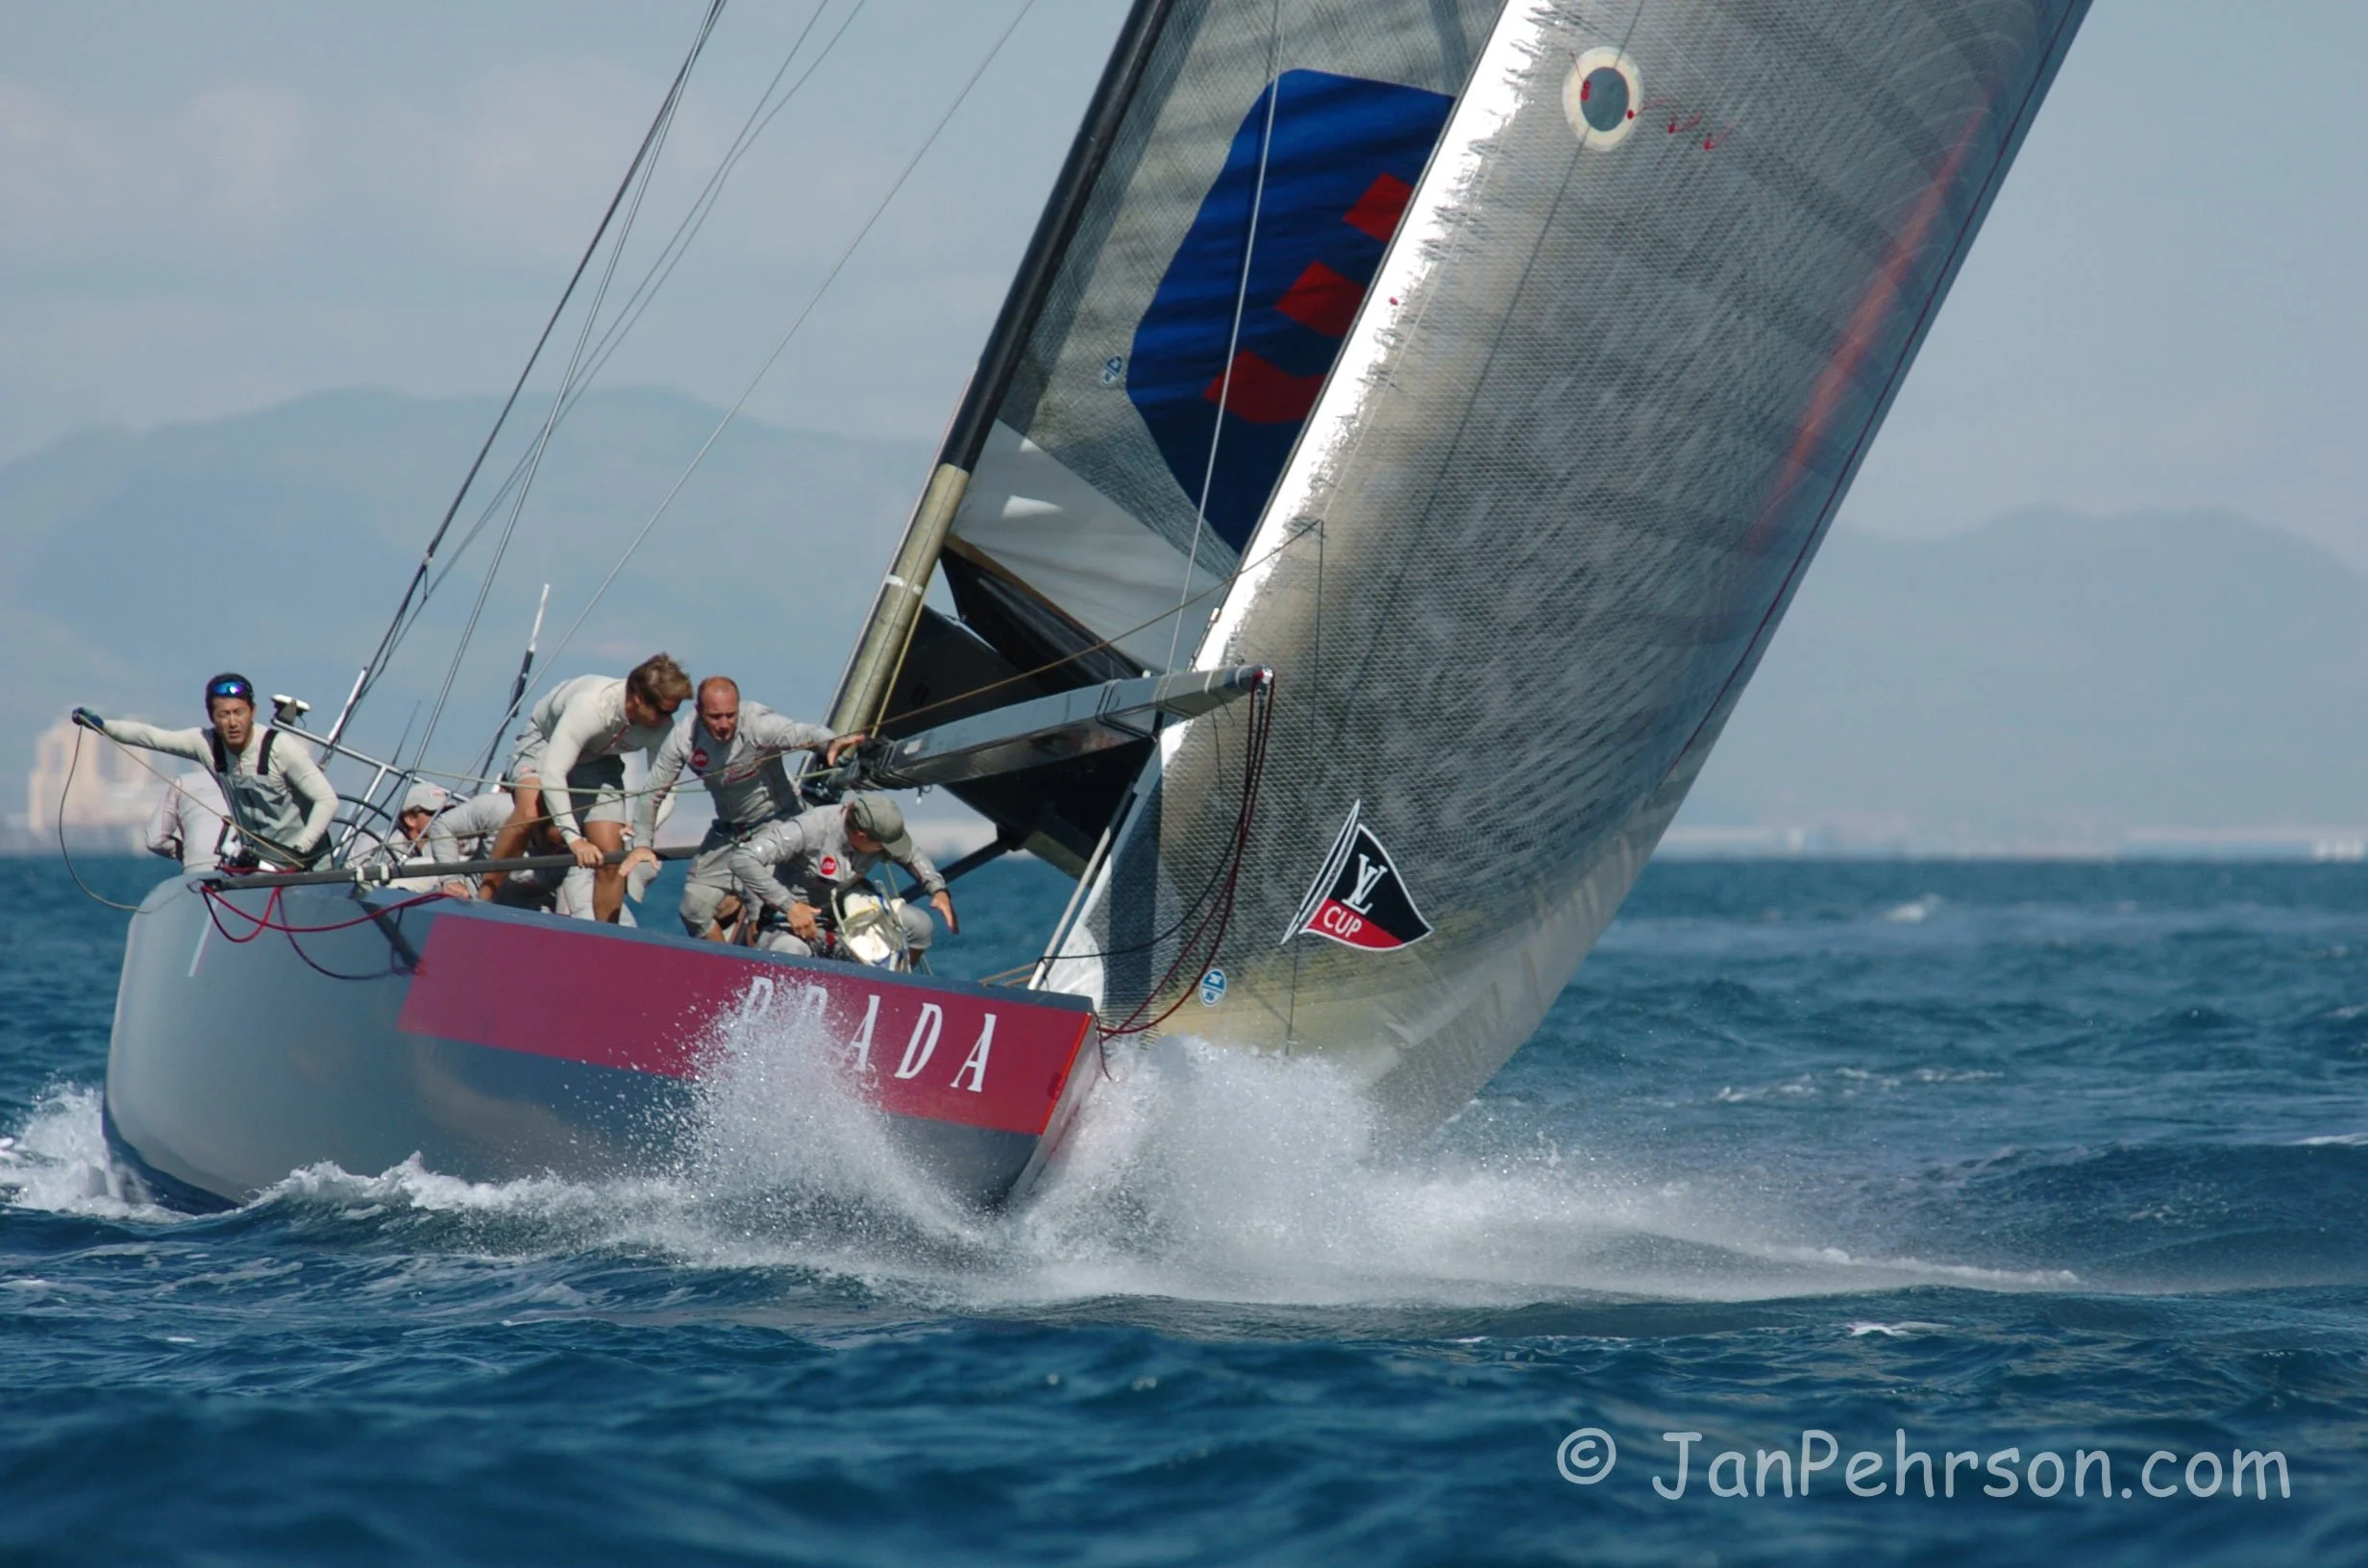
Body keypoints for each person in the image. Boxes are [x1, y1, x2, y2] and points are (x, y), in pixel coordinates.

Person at [632, 674, 864, 939]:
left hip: (775, 825)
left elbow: (800, 732)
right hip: (729, 831)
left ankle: (753, 929)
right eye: (714, 717)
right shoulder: (684, 737)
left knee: (760, 919)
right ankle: (721, 962)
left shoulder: (757, 724)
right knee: (693, 909)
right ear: (698, 711)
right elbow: (651, 793)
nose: (723, 724)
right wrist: (642, 844)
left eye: (730, 715)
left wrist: (830, 742)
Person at [482, 653, 690, 921]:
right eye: (662, 712)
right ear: (639, 699)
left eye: (673, 712)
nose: (667, 720)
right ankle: (484, 898)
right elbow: (554, 774)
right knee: (529, 813)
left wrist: (643, 828)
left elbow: (666, 789)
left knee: (611, 855)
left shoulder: (662, 727)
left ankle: (608, 935)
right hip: (547, 741)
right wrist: (575, 840)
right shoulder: (591, 706)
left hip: (600, 760)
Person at [72, 673, 337, 870]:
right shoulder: (205, 744)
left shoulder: (280, 747)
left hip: (309, 863)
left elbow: (327, 800)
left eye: (239, 712)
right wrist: (102, 726)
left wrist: (300, 849)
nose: (232, 722)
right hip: (262, 864)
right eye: (223, 714)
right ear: (211, 717)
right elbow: (151, 736)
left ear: (252, 712)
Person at [725, 793, 957, 962]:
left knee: (920, 925)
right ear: (861, 835)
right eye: (881, 847)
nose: (886, 851)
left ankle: (897, 989)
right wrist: (790, 906)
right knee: (791, 953)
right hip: (788, 924)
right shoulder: (810, 828)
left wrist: (938, 889)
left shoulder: (882, 835)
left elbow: (911, 855)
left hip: (849, 918)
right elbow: (743, 859)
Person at [144, 769, 237, 872]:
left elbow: (154, 840)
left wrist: (186, 851)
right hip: (243, 867)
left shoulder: (182, 782)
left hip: (198, 866)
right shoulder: (246, 781)